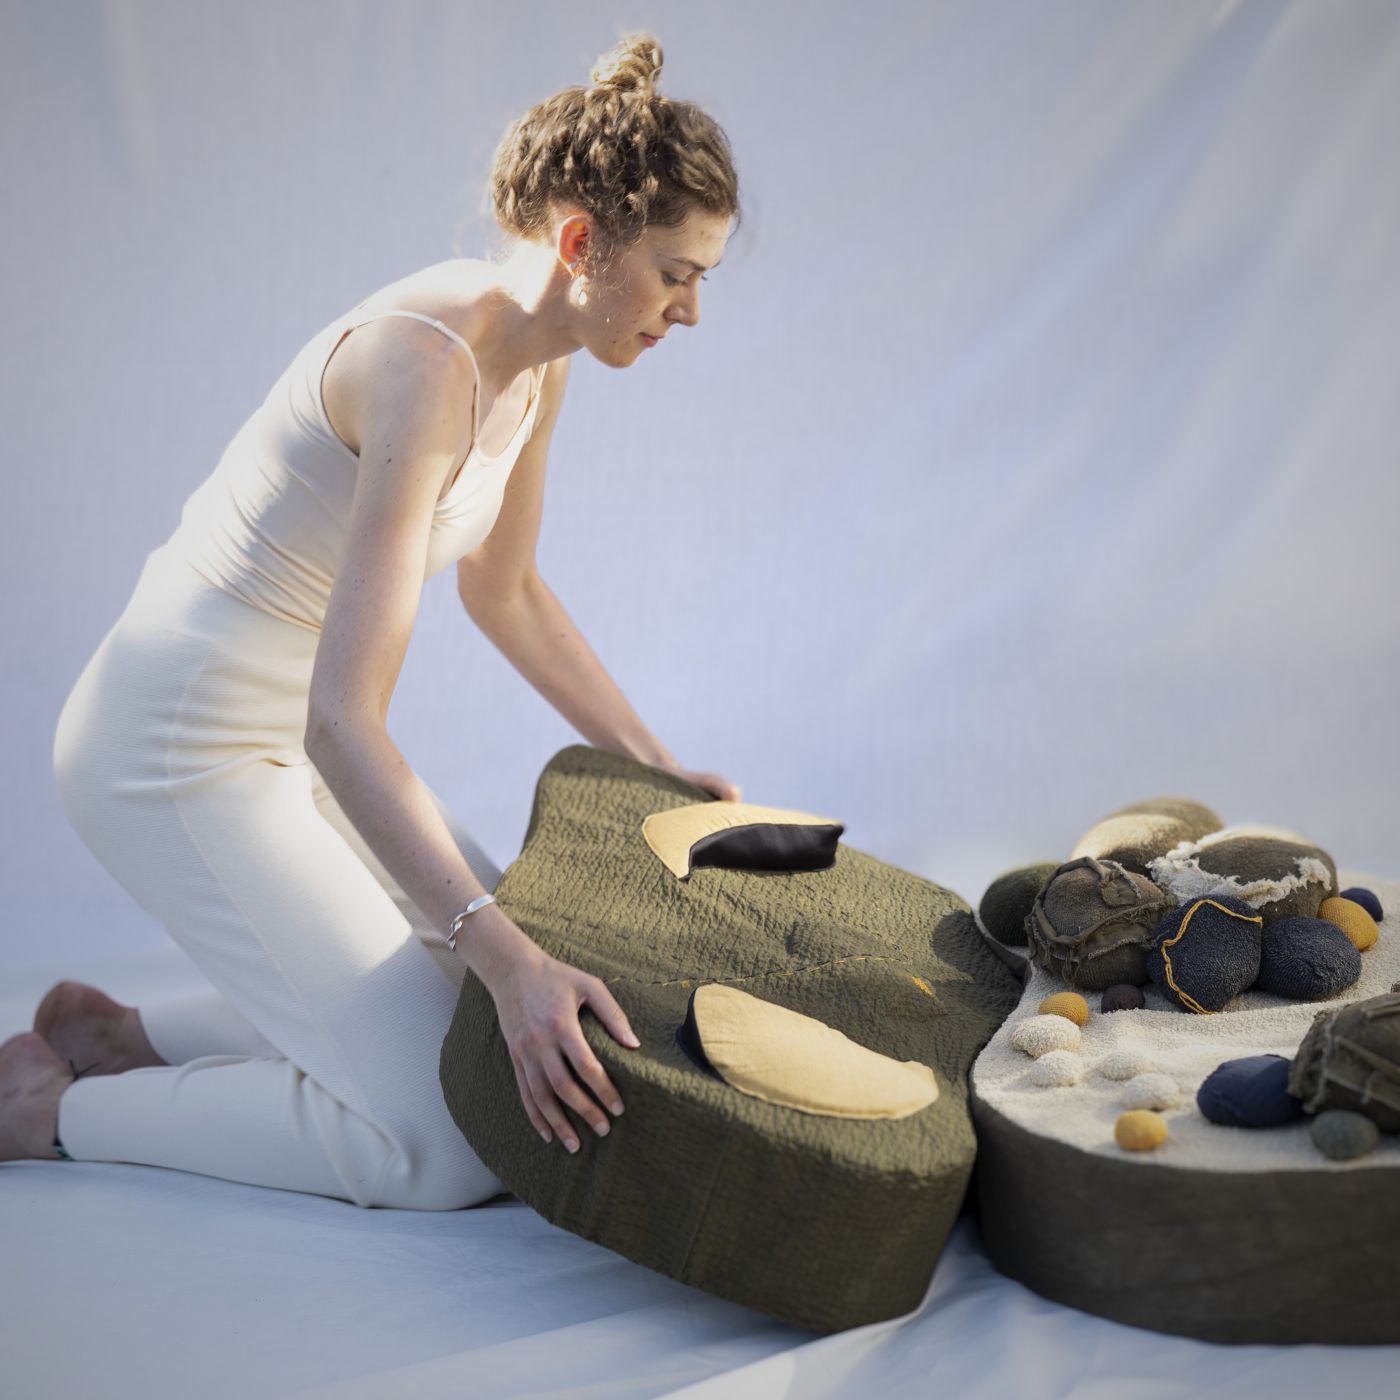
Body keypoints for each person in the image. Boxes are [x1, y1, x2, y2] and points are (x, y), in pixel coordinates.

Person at [0, 32, 743, 1210]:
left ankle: (124, 1033)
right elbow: (346, 721)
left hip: (291, 741)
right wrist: (506, 960)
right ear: (579, 243)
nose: (693, 309)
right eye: (675, 271)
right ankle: (54, 1113)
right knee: (448, 1137)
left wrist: (655, 769)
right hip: (171, 752)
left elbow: (503, 592)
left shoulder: (537, 358)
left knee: (509, 997)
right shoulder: (424, 367)